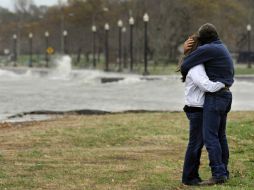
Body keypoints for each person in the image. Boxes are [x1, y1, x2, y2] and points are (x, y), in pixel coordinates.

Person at [181, 23, 234, 185]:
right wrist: (224, 84)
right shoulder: (217, 49)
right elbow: (204, 83)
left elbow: (185, 65)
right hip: (212, 100)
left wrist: (222, 83)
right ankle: (211, 173)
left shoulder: (206, 52)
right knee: (212, 138)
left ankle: (218, 174)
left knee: (210, 138)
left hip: (215, 98)